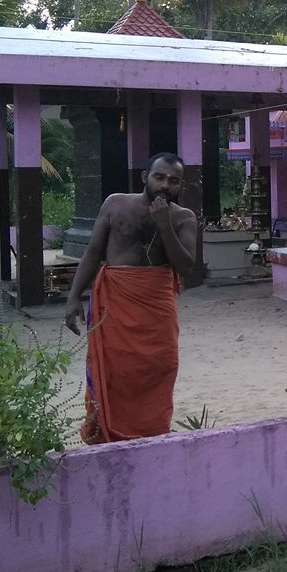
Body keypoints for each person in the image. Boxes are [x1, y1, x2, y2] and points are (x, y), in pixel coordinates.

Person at [64, 152, 199, 443]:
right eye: (159, 177)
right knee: (113, 372)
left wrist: (164, 225)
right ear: (144, 177)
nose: (165, 185)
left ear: (180, 186)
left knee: (160, 368)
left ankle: (151, 435)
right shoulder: (115, 204)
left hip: (156, 311)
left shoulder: (184, 218)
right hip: (115, 305)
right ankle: (107, 436)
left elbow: (186, 266)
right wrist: (74, 296)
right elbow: (93, 252)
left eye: (173, 181)